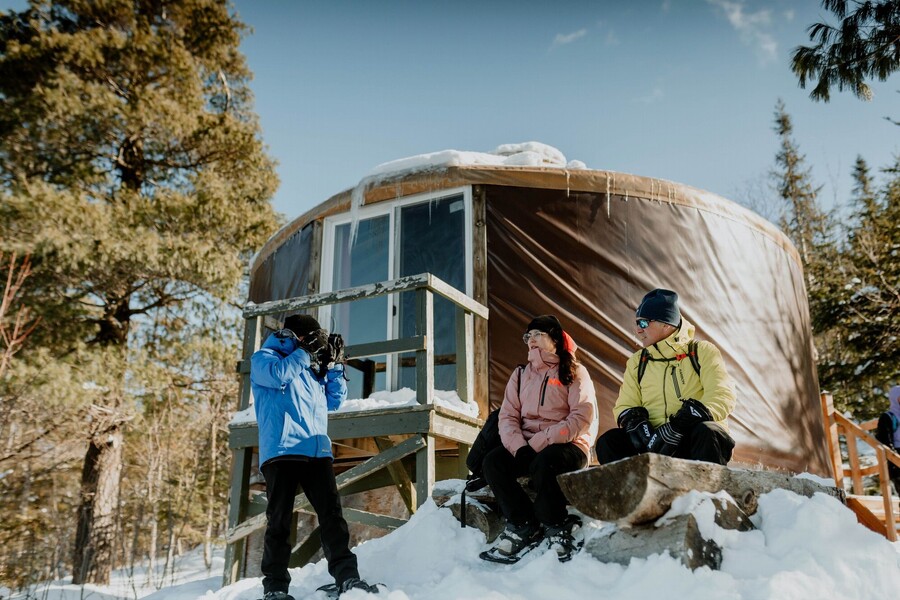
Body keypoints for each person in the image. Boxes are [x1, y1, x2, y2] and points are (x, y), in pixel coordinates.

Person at [251, 314, 377, 600]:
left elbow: (334, 400)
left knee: (332, 516)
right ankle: (275, 588)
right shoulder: (264, 358)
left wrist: (333, 366)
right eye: (312, 338)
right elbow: (278, 375)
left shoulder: (309, 365)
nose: (316, 345)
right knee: (279, 521)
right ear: (297, 337)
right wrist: (305, 354)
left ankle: (347, 578)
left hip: (316, 450)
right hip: (281, 450)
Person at [480, 315, 598, 564]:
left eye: (537, 335)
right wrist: (520, 448)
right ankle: (523, 524)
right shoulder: (521, 374)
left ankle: (557, 525)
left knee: (545, 463)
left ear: (554, 339)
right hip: (527, 445)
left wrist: (540, 442)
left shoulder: (575, 372)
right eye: (527, 336)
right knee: (493, 462)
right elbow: (507, 417)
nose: (530, 340)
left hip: (569, 444)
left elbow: (582, 417)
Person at [595, 288, 736, 466]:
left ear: (666, 324)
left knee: (708, 432)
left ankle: (705, 493)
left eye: (644, 323)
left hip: (691, 440)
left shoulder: (701, 352)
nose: (638, 330)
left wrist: (679, 425)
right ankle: (630, 493)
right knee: (609, 441)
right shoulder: (638, 361)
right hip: (655, 443)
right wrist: (635, 422)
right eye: (637, 323)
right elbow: (626, 403)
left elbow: (722, 394)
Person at [875, 385, 900, 494]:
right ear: (895, 398)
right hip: (896, 457)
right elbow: (884, 439)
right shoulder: (888, 417)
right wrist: (894, 458)